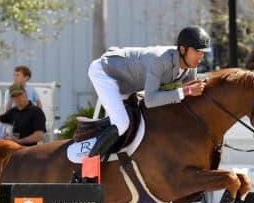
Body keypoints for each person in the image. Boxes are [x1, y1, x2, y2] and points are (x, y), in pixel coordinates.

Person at [85, 25, 211, 160]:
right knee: (122, 123)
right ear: (182, 49)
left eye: (203, 53)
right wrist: (188, 90)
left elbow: (188, 101)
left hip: (128, 84)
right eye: (197, 52)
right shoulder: (160, 60)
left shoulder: (190, 68)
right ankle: (85, 172)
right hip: (106, 73)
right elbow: (151, 100)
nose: (201, 57)